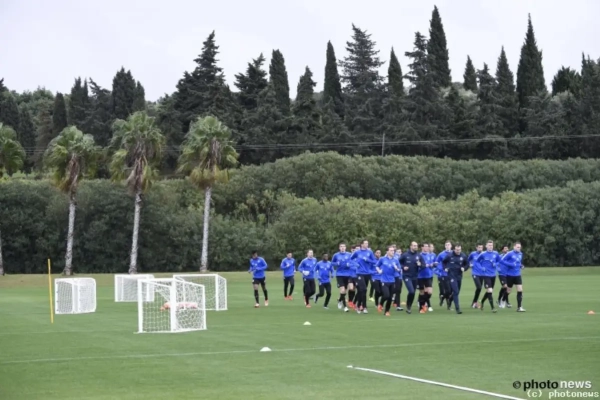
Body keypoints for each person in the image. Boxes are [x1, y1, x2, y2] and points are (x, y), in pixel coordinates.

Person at [351, 240, 378, 313]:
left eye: (367, 243)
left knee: (361, 290)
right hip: (359, 273)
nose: (367, 244)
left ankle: (358, 305)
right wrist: (355, 264)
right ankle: (364, 307)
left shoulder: (370, 252)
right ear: (362, 244)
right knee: (364, 289)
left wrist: (368, 260)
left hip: (367, 273)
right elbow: (351, 259)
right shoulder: (357, 252)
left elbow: (375, 261)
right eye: (365, 243)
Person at [399, 241, 425, 314]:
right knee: (411, 291)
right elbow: (398, 262)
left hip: (415, 277)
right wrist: (403, 267)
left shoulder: (419, 256)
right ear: (411, 246)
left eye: (416, 246)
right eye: (414, 245)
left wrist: (420, 265)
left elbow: (424, 266)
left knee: (413, 293)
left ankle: (409, 306)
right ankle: (408, 306)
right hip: (406, 276)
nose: (415, 247)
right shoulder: (405, 255)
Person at [442, 244, 469, 314]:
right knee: (456, 291)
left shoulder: (463, 256)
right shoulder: (449, 255)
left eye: (459, 250)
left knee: (457, 292)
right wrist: (445, 268)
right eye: (457, 250)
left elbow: (467, 264)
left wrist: (464, 268)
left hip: (459, 276)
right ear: (454, 249)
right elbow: (443, 262)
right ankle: (458, 308)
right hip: (451, 276)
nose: (458, 251)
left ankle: (450, 300)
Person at [375, 246, 401, 316]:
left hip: (392, 280)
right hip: (384, 280)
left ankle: (387, 311)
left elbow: (399, 269)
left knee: (390, 298)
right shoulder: (382, 259)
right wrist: (379, 271)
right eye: (391, 250)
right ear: (387, 252)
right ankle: (381, 304)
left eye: (393, 250)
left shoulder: (395, 260)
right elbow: (377, 266)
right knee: (386, 295)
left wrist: (397, 269)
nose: (393, 252)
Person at [476, 240, 501, 313]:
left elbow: (499, 261)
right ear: (486, 246)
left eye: (491, 245)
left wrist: (496, 264)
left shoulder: (496, 253)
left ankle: (482, 301)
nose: (490, 246)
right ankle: (492, 308)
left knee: (489, 291)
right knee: (490, 290)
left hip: (493, 275)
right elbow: (476, 262)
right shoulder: (483, 254)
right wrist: (481, 268)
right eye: (489, 245)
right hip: (486, 275)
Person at [500, 242, 525, 312]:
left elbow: (518, 263)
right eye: (517, 247)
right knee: (508, 291)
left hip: (518, 275)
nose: (519, 248)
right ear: (514, 247)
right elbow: (501, 261)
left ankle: (519, 307)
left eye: (519, 247)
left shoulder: (520, 254)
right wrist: (510, 264)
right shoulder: (509, 253)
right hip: (510, 275)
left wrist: (521, 266)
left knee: (520, 290)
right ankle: (503, 299)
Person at [331, 242, 352, 312]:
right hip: (339, 274)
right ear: (339, 248)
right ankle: (345, 307)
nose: (342, 248)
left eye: (344, 246)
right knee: (342, 290)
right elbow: (332, 263)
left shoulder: (349, 254)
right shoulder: (336, 255)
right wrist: (336, 264)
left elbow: (353, 262)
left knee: (345, 291)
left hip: (348, 274)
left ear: (345, 247)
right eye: (341, 246)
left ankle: (340, 300)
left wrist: (350, 264)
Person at [417, 243, 435, 313]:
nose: (427, 248)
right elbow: (417, 265)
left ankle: (421, 302)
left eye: (427, 246)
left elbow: (432, 263)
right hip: (420, 276)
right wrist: (422, 265)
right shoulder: (419, 255)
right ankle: (421, 308)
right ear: (422, 247)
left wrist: (433, 264)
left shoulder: (430, 255)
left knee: (429, 292)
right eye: (425, 246)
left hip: (428, 276)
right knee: (422, 292)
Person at [435, 241, 453, 309]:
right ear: (445, 246)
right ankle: (448, 305)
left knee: (452, 291)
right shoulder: (441, 254)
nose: (447, 246)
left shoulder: (453, 253)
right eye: (446, 245)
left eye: (449, 245)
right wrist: (441, 269)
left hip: (452, 274)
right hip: (444, 274)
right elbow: (437, 263)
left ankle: (443, 298)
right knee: (447, 290)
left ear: (451, 246)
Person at [469, 244, 484, 308]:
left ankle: (474, 303)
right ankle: (475, 302)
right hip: (475, 273)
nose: (480, 248)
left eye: (481, 247)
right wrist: (470, 264)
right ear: (476, 248)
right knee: (479, 287)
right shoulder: (473, 254)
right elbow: (467, 260)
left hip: (482, 273)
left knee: (479, 289)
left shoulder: (484, 254)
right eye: (479, 247)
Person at [392, 246, 403, 311]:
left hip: (399, 276)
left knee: (398, 290)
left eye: (400, 252)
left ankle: (397, 305)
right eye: (398, 252)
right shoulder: (394, 257)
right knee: (394, 289)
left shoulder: (400, 258)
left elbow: (400, 267)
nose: (399, 253)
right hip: (391, 276)